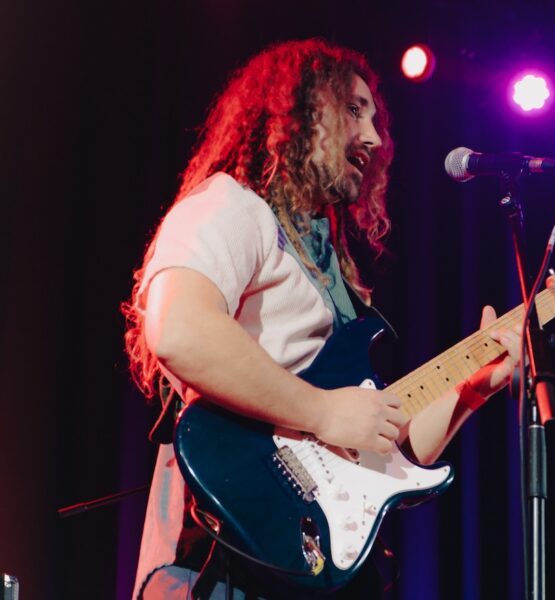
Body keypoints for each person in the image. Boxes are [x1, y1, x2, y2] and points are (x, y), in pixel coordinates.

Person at [122, 38, 521, 600]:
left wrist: (473, 386)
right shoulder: (232, 206)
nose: (374, 138)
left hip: (296, 560)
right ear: (302, 111)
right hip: (225, 554)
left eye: (375, 119)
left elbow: (387, 450)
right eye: (355, 110)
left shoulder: (328, 259)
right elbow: (180, 331)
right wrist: (324, 411)